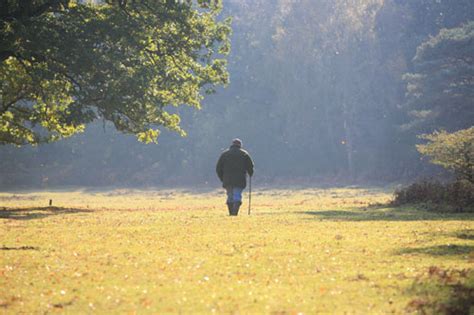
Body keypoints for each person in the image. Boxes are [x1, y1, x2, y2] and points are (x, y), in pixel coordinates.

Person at [216, 138, 254, 216]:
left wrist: (222, 178)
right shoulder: (244, 154)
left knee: (230, 196)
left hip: (227, 180)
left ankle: (231, 213)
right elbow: (250, 166)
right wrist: (250, 173)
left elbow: (218, 168)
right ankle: (235, 213)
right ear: (240, 145)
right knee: (237, 195)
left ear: (232, 144)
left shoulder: (224, 154)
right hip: (240, 180)